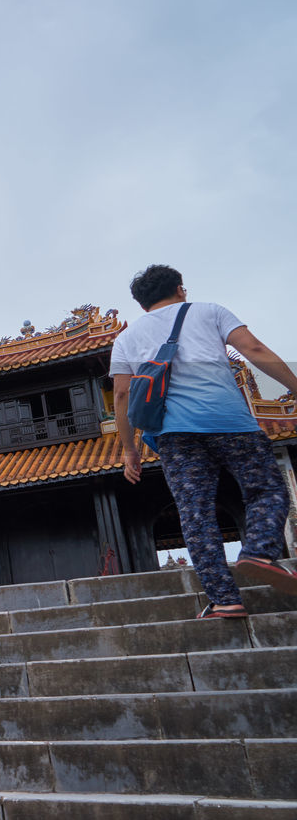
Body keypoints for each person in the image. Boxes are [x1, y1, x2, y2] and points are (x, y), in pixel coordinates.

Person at [111, 265, 297, 619]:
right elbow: (254, 349)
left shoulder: (127, 338)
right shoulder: (210, 311)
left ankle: (225, 599)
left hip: (173, 436)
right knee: (266, 490)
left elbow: (121, 394)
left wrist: (130, 450)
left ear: (141, 303)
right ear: (181, 289)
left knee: (195, 514)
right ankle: (259, 551)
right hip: (230, 423)